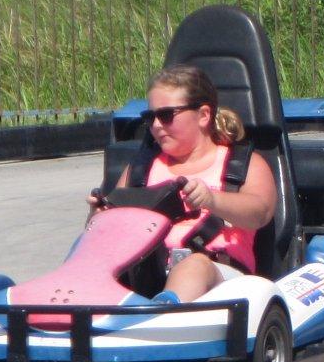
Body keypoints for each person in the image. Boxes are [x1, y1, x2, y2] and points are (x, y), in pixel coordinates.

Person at [100, 63, 278, 301]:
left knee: (194, 266)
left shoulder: (242, 164)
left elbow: (260, 213)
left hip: (221, 279)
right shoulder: (142, 169)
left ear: (203, 115)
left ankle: (165, 317)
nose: (155, 125)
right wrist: (99, 214)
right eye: (150, 117)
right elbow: (109, 235)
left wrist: (212, 200)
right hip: (148, 277)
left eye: (166, 116)